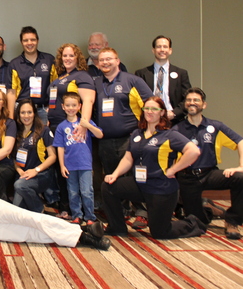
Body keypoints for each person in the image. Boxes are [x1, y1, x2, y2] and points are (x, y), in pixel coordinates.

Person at [102, 96, 206, 239]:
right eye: (147, 108)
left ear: (162, 112)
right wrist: (115, 174)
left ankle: (194, 223)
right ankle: (117, 227)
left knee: (160, 232)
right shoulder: (137, 134)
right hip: (140, 184)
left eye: (154, 109)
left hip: (161, 188)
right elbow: (128, 158)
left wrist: (173, 170)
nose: (149, 112)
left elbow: (193, 151)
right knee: (108, 187)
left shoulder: (170, 134)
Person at [173, 87, 243, 240]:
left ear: (204, 105)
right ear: (185, 104)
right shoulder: (176, 129)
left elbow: (240, 141)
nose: (192, 102)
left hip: (210, 174)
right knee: (197, 224)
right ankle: (209, 210)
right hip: (187, 178)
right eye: (189, 100)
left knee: (240, 177)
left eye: (196, 100)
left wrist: (241, 166)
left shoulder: (216, 127)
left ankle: (232, 221)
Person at [94, 48, 153, 227]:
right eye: (102, 60)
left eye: (109, 59)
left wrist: (145, 132)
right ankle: (120, 212)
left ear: (118, 61)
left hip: (130, 138)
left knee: (134, 175)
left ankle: (142, 211)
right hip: (105, 140)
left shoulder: (133, 81)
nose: (105, 62)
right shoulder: (96, 83)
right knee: (112, 176)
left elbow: (151, 105)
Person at [46, 43, 95, 218]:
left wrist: (83, 124)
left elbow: (88, 101)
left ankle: (80, 212)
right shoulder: (60, 77)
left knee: (71, 170)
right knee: (61, 170)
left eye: (71, 55)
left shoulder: (82, 76)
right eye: (64, 56)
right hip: (55, 128)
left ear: (77, 58)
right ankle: (65, 207)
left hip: (72, 130)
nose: (67, 59)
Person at [54, 92, 103, 224]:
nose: (71, 108)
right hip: (70, 165)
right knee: (73, 192)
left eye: (74, 105)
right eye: (68, 105)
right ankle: (77, 215)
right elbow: (60, 147)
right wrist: (62, 165)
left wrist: (88, 125)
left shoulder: (85, 122)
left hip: (85, 164)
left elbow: (99, 134)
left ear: (79, 106)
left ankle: (90, 216)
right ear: (63, 106)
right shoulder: (61, 127)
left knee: (87, 191)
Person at [12, 99, 57, 213]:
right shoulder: (16, 132)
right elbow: (13, 158)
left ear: (34, 113)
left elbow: (53, 156)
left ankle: (39, 209)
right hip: (22, 176)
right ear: (18, 114)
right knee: (16, 211)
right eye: (23, 112)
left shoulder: (43, 130)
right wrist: (20, 171)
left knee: (20, 186)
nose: (26, 116)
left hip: (41, 174)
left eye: (29, 112)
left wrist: (36, 170)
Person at [135, 35, 191, 125]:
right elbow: (137, 99)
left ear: (170, 50)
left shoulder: (181, 73)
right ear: (153, 50)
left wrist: (174, 113)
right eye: (158, 47)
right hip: (149, 120)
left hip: (174, 121)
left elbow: (187, 98)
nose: (162, 50)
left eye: (165, 47)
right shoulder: (141, 74)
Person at [7, 26, 57, 122]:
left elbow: (55, 87)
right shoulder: (14, 64)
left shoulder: (49, 59)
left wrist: (52, 108)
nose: (29, 43)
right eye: (25, 40)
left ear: (37, 41)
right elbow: (11, 93)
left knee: (46, 132)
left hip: (44, 110)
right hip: (23, 111)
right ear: (21, 42)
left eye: (32, 40)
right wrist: (10, 118)